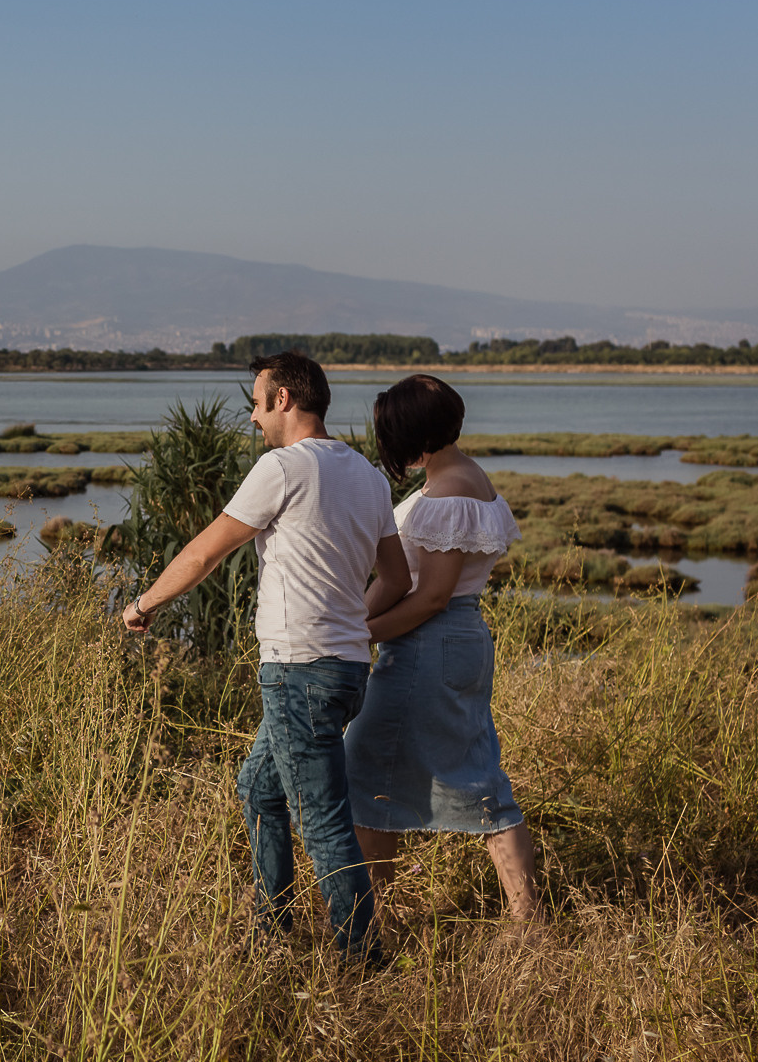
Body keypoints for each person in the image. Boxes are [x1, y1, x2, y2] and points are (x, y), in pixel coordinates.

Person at [123, 351, 408, 960]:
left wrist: (143, 604)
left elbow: (204, 553)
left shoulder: (282, 467)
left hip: (298, 670)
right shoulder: (368, 476)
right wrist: (348, 623)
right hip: (347, 669)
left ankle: (362, 957)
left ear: (284, 399)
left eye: (256, 403)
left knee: (322, 819)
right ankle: (271, 931)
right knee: (258, 788)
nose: (253, 417)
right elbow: (397, 578)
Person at [343, 373, 542, 928]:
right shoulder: (468, 476)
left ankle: (374, 916)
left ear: (412, 431)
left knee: (365, 768)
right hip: (457, 641)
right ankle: (526, 919)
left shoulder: (449, 492)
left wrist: (358, 635)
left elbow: (430, 597)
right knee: (469, 773)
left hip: (429, 648)